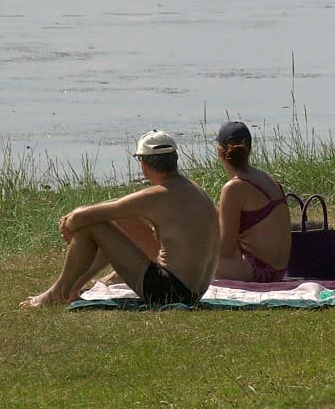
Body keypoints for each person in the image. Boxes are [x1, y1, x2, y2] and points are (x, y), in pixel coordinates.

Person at [20, 130, 220, 308]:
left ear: (143, 163)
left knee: (92, 227)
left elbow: (83, 217)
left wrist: (68, 225)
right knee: (121, 219)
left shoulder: (158, 196)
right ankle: (75, 287)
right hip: (195, 292)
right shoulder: (194, 189)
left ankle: (58, 293)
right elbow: (118, 208)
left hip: (168, 292)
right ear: (175, 158)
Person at [214, 121, 291, 282]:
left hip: (259, 271)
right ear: (250, 149)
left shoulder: (234, 188)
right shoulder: (267, 178)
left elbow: (225, 249)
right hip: (279, 269)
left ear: (219, 151)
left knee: (192, 256)